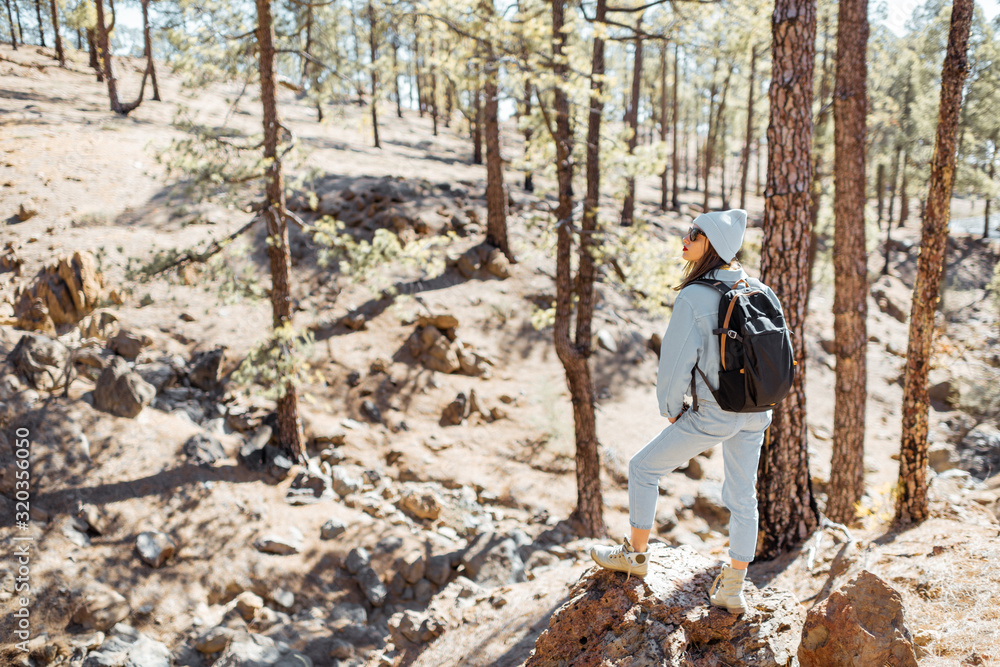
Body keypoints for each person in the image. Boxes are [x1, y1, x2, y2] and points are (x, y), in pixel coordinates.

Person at [589, 208, 772, 615]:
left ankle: (636, 557)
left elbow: (673, 364)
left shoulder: (694, 296)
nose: (685, 238)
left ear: (712, 244)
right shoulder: (757, 287)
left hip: (715, 413)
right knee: (744, 496)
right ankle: (734, 586)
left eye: (695, 233)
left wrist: (671, 409)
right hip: (757, 411)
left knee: (642, 468)